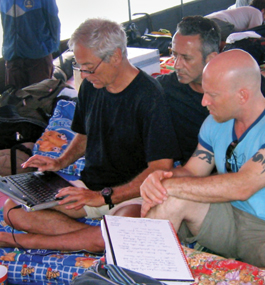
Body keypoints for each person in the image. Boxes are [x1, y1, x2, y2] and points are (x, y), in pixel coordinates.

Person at [0, 18, 180, 252]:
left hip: (131, 193)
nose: (83, 74)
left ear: (116, 56)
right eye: (79, 66)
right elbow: (84, 136)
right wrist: (60, 162)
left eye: (89, 67)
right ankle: (94, 237)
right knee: (13, 210)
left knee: (121, 234)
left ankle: (29, 241)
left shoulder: (150, 97)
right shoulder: (90, 86)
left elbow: (160, 168)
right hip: (89, 186)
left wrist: (105, 197)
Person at [140, 49, 265, 267]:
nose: (204, 102)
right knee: (168, 198)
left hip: (260, 229)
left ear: (242, 95)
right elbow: (191, 172)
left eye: (212, 95)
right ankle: (143, 273)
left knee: (173, 191)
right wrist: (159, 180)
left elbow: (242, 186)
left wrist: (172, 186)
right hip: (229, 214)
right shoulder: (216, 122)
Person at [157, 15, 221, 165]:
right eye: (174, 54)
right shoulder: (162, 89)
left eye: (186, 58)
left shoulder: (244, 86)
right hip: (187, 171)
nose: (177, 65)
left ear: (211, 58)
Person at [0, 0, 60, 89]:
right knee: (15, 100)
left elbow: (53, 20)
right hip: (13, 58)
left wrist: (49, 48)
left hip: (38, 58)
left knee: (40, 99)